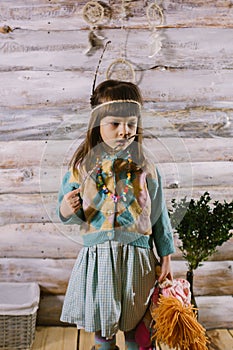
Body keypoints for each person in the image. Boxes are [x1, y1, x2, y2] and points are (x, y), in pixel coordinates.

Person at [57, 80, 175, 350]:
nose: (125, 131)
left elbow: (159, 217)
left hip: (138, 259)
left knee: (136, 326)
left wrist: (166, 258)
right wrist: (67, 207)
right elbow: (65, 214)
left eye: (131, 124)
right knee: (105, 327)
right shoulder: (81, 168)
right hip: (99, 259)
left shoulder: (146, 167)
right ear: (98, 123)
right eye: (115, 123)